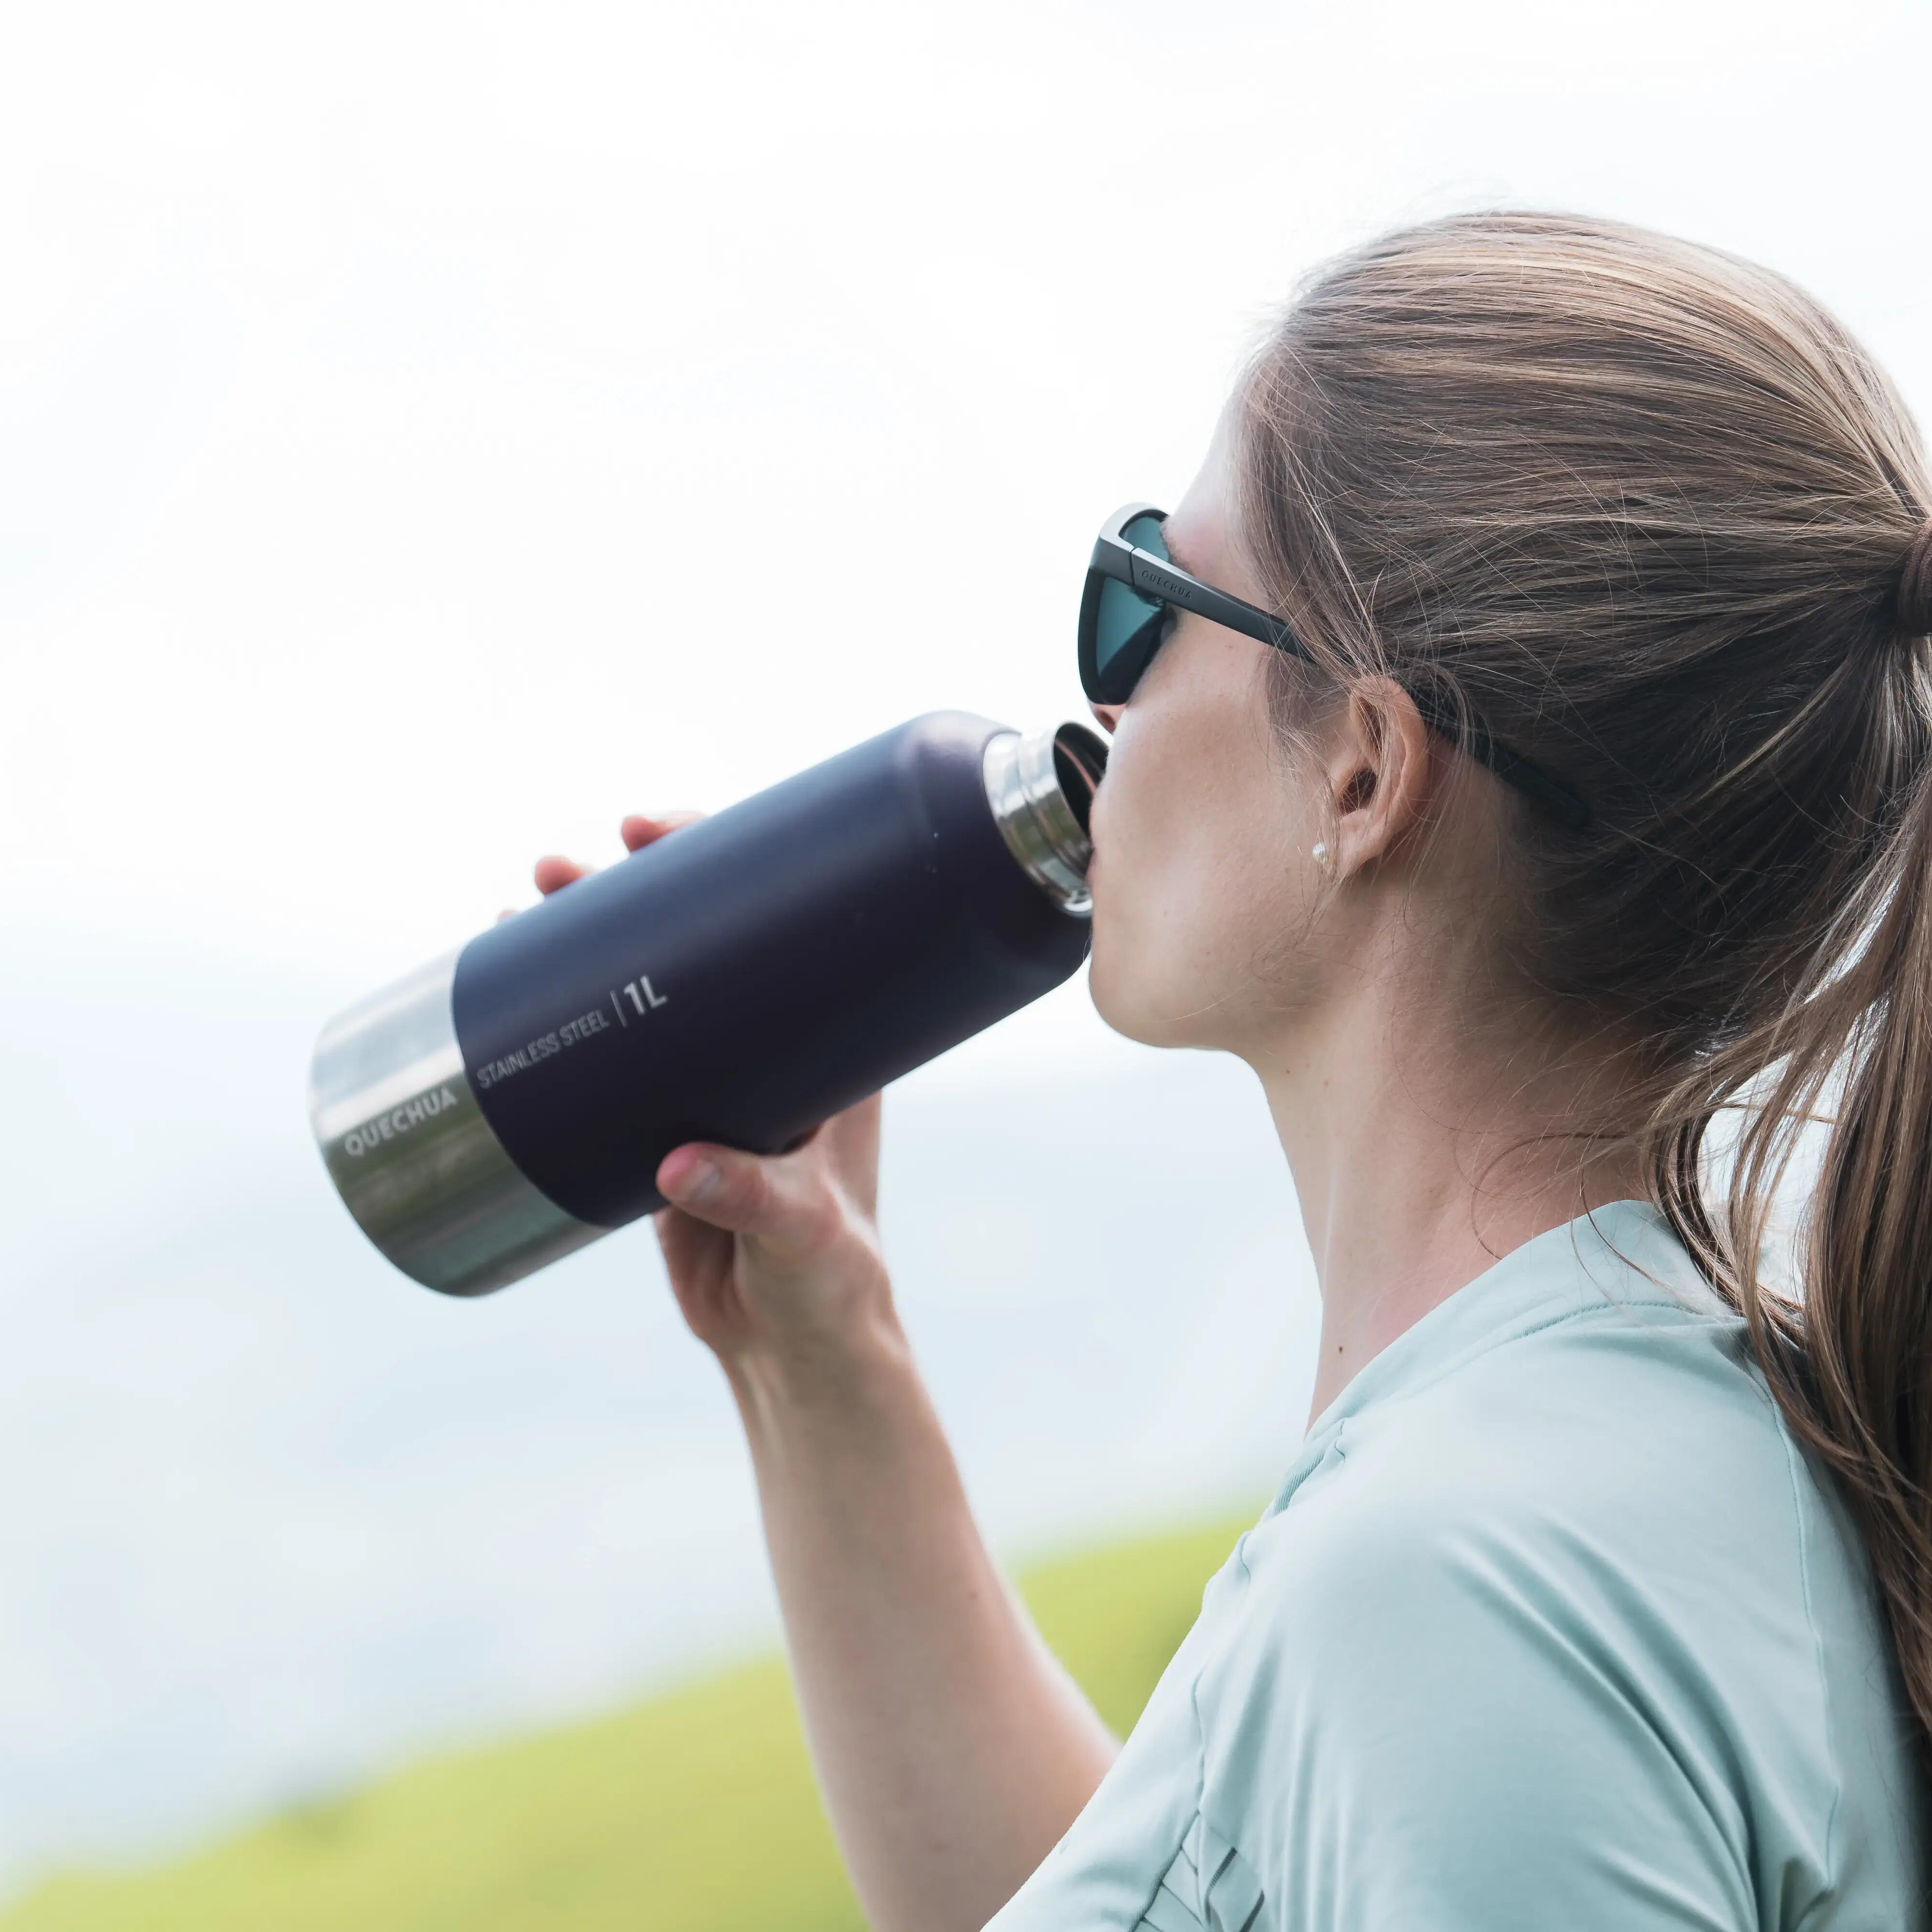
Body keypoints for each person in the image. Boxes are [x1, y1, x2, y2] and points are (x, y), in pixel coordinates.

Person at [535, 213, 1932, 1929]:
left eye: (1148, 600)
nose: (1101, 704)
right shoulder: (1637, 1440)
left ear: (1361, 771)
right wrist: (822, 1352)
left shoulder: (1461, 1583)